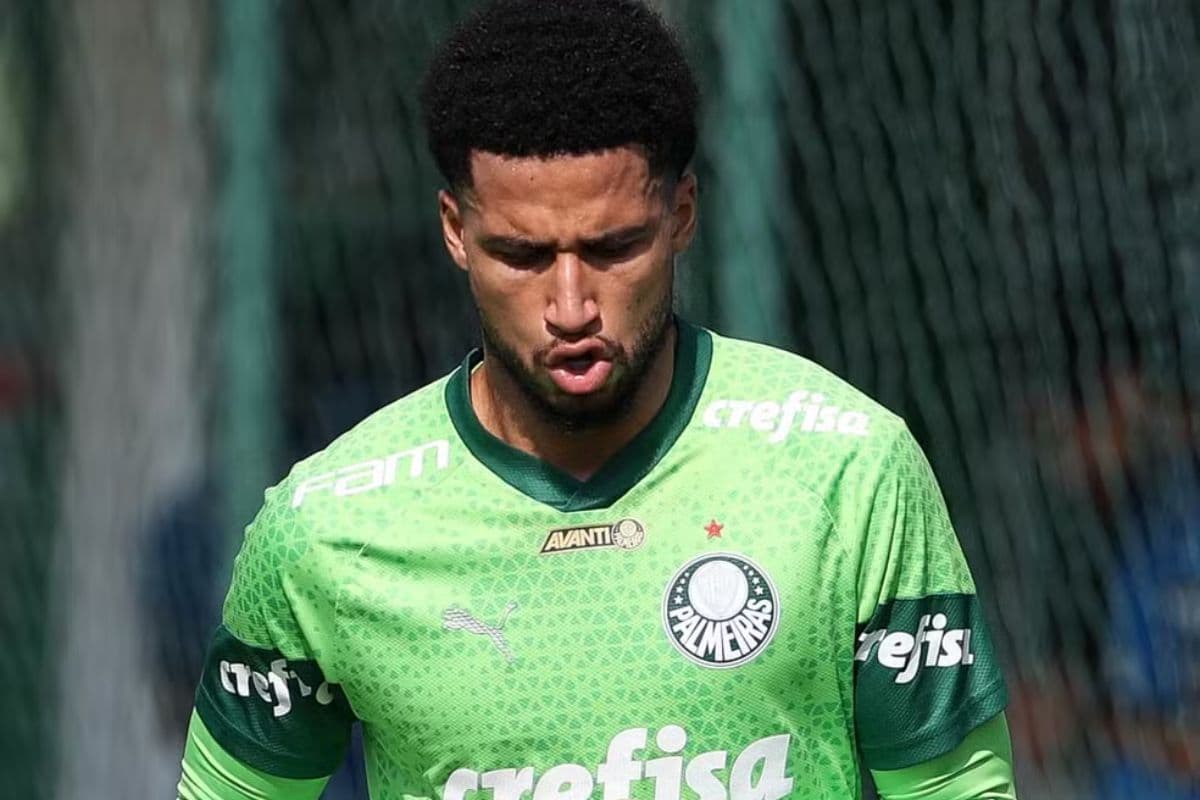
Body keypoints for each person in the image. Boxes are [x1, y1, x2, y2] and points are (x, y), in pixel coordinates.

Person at [176, 1, 1017, 797]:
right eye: (521, 255)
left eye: (614, 248)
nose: (571, 306)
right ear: (455, 232)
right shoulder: (329, 528)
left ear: (681, 214)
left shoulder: (846, 471)